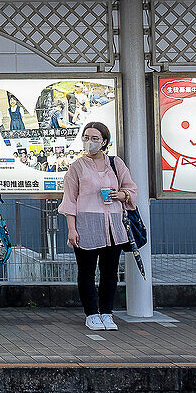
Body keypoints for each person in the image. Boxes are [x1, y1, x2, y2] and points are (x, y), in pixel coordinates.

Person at [58, 122, 137, 331]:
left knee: (110, 272)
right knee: (86, 272)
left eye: (94, 138)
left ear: (104, 142)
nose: (89, 142)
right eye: (86, 137)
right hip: (87, 224)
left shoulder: (115, 163)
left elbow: (131, 188)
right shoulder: (77, 166)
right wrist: (72, 229)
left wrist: (121, 195)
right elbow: (69, 200)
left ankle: (107, 313)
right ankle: (91, 313)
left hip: (114, 225)